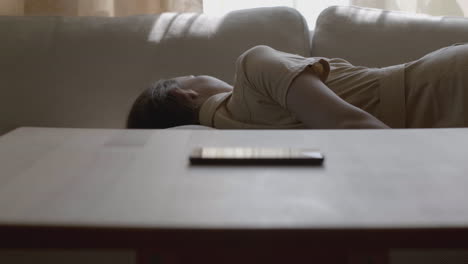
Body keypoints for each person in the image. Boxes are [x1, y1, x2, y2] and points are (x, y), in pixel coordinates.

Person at [126, 44, 468, 129]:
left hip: (443, 89)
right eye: (192, 75)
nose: (202, 74)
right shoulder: (252, 65)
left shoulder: (238, 134)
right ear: (184, 94)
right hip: (440, 92)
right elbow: (351, 125)